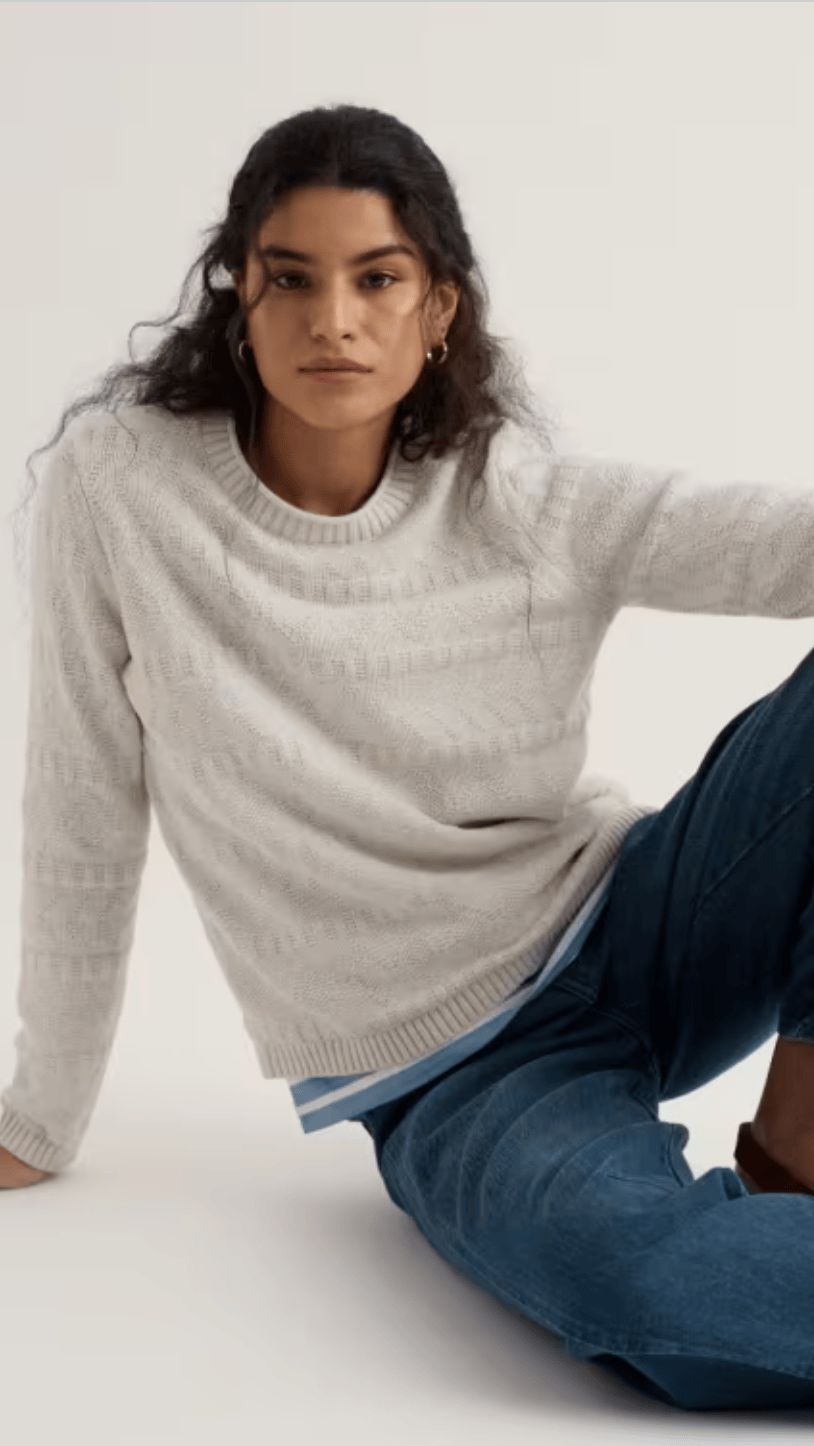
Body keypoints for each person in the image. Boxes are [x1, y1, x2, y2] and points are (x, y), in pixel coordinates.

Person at [3, 102, 814, 1414]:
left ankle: (796, 1145)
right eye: (291, 278)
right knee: (654, 1297)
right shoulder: (124, 491)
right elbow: (81, 809)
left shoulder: (517, 493)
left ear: (438, 306)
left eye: (377, 279)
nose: (334, 319)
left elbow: (781, 542)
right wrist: (40, 1117)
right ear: (238, 294)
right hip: (457, 1073)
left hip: (645, 923)